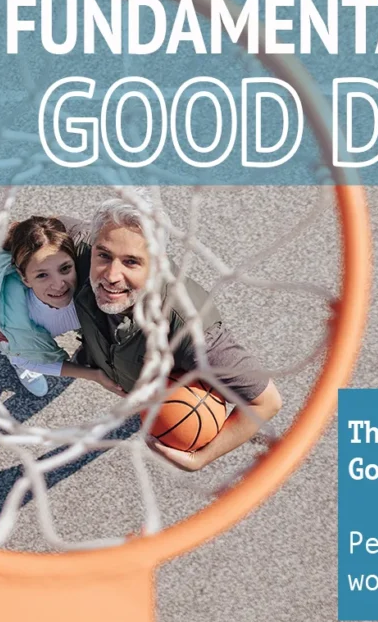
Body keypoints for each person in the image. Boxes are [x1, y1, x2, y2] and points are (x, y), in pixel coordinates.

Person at [59, 194, 283, 472]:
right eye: (104, 255)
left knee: (151, 404)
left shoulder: (192, 331)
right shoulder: (75, 246)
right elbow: (26, 233)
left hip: (153, 383)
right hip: (109, 353)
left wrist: (201, 458)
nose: (112, 275)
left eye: (131, 262)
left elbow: (267, 402)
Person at [0, 216, 124, 398]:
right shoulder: (13, 319)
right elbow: (30, 361)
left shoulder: (92, 286)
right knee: (15, 349)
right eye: (42, 275)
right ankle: (24, 357)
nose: (58, 285)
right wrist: (94, 376)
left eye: (65, 269)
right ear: (25, 279)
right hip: (13, 333)